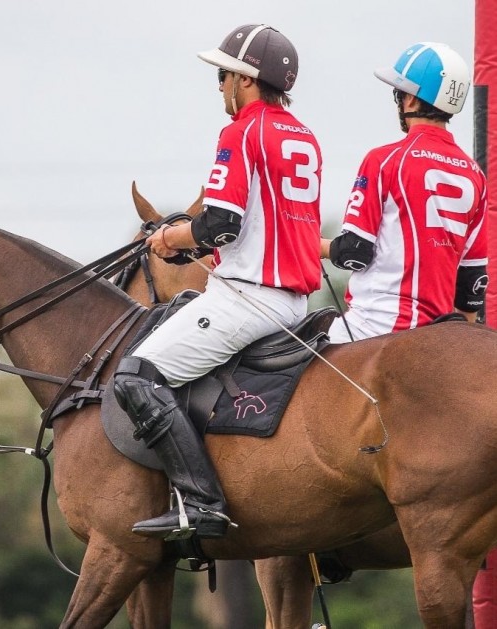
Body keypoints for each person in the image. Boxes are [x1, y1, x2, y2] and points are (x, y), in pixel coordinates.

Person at [113, 24, 323, 540]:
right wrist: (195, 241)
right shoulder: (304, 135)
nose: (220, 85)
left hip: (249, 300)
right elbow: (253, 228)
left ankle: (201, 501)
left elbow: (221, 222)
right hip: (297, 303)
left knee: (134, 375)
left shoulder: (242, 131)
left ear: (246, 79)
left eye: (224, 74)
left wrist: (172, 237)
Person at [320, 42, 488, 343]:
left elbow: (353, 252)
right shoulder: (474, 174)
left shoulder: (383, 159)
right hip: (439, 335)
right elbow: (471, 283)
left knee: (279, 377)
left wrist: (295, 244)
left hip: (371, 326)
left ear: (410, 99)